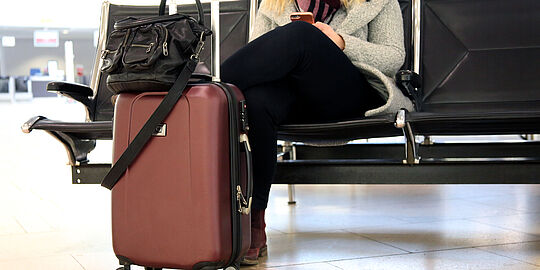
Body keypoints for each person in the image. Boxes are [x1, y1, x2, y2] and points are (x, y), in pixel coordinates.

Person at [221, 0, 413, 265]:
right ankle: (254, 223)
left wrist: (341, 41)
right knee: (255, 101)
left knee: (302, 34)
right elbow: (258, 60)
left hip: (349, 94)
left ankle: (204, 91)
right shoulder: (273, 4)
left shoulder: (377, 1)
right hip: (293, 97)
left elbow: (393, 57)